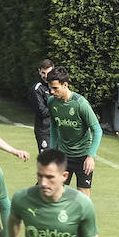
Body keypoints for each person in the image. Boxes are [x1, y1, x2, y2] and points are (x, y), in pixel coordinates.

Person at [44, 66, 102, 197]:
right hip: (64, 155)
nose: (51, 91)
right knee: (53, 192)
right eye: (50, 88)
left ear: (65, 85)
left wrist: (91, 156)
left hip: (83, 157)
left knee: (83, 197)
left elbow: (97, 130)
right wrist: (53, 150)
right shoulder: (52, 102)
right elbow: (53, 126)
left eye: (55, 88)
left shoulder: (81, 104)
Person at [29, 59, 54, 152]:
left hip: (59, 130)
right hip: (45, 131)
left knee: (61, 161)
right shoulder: (37, 89)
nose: (46, 76)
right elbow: (42, 112)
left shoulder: (57, 85)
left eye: (49, 73)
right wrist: (57, 107)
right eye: (43, 73)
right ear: (39, 71)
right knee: (47, 161)